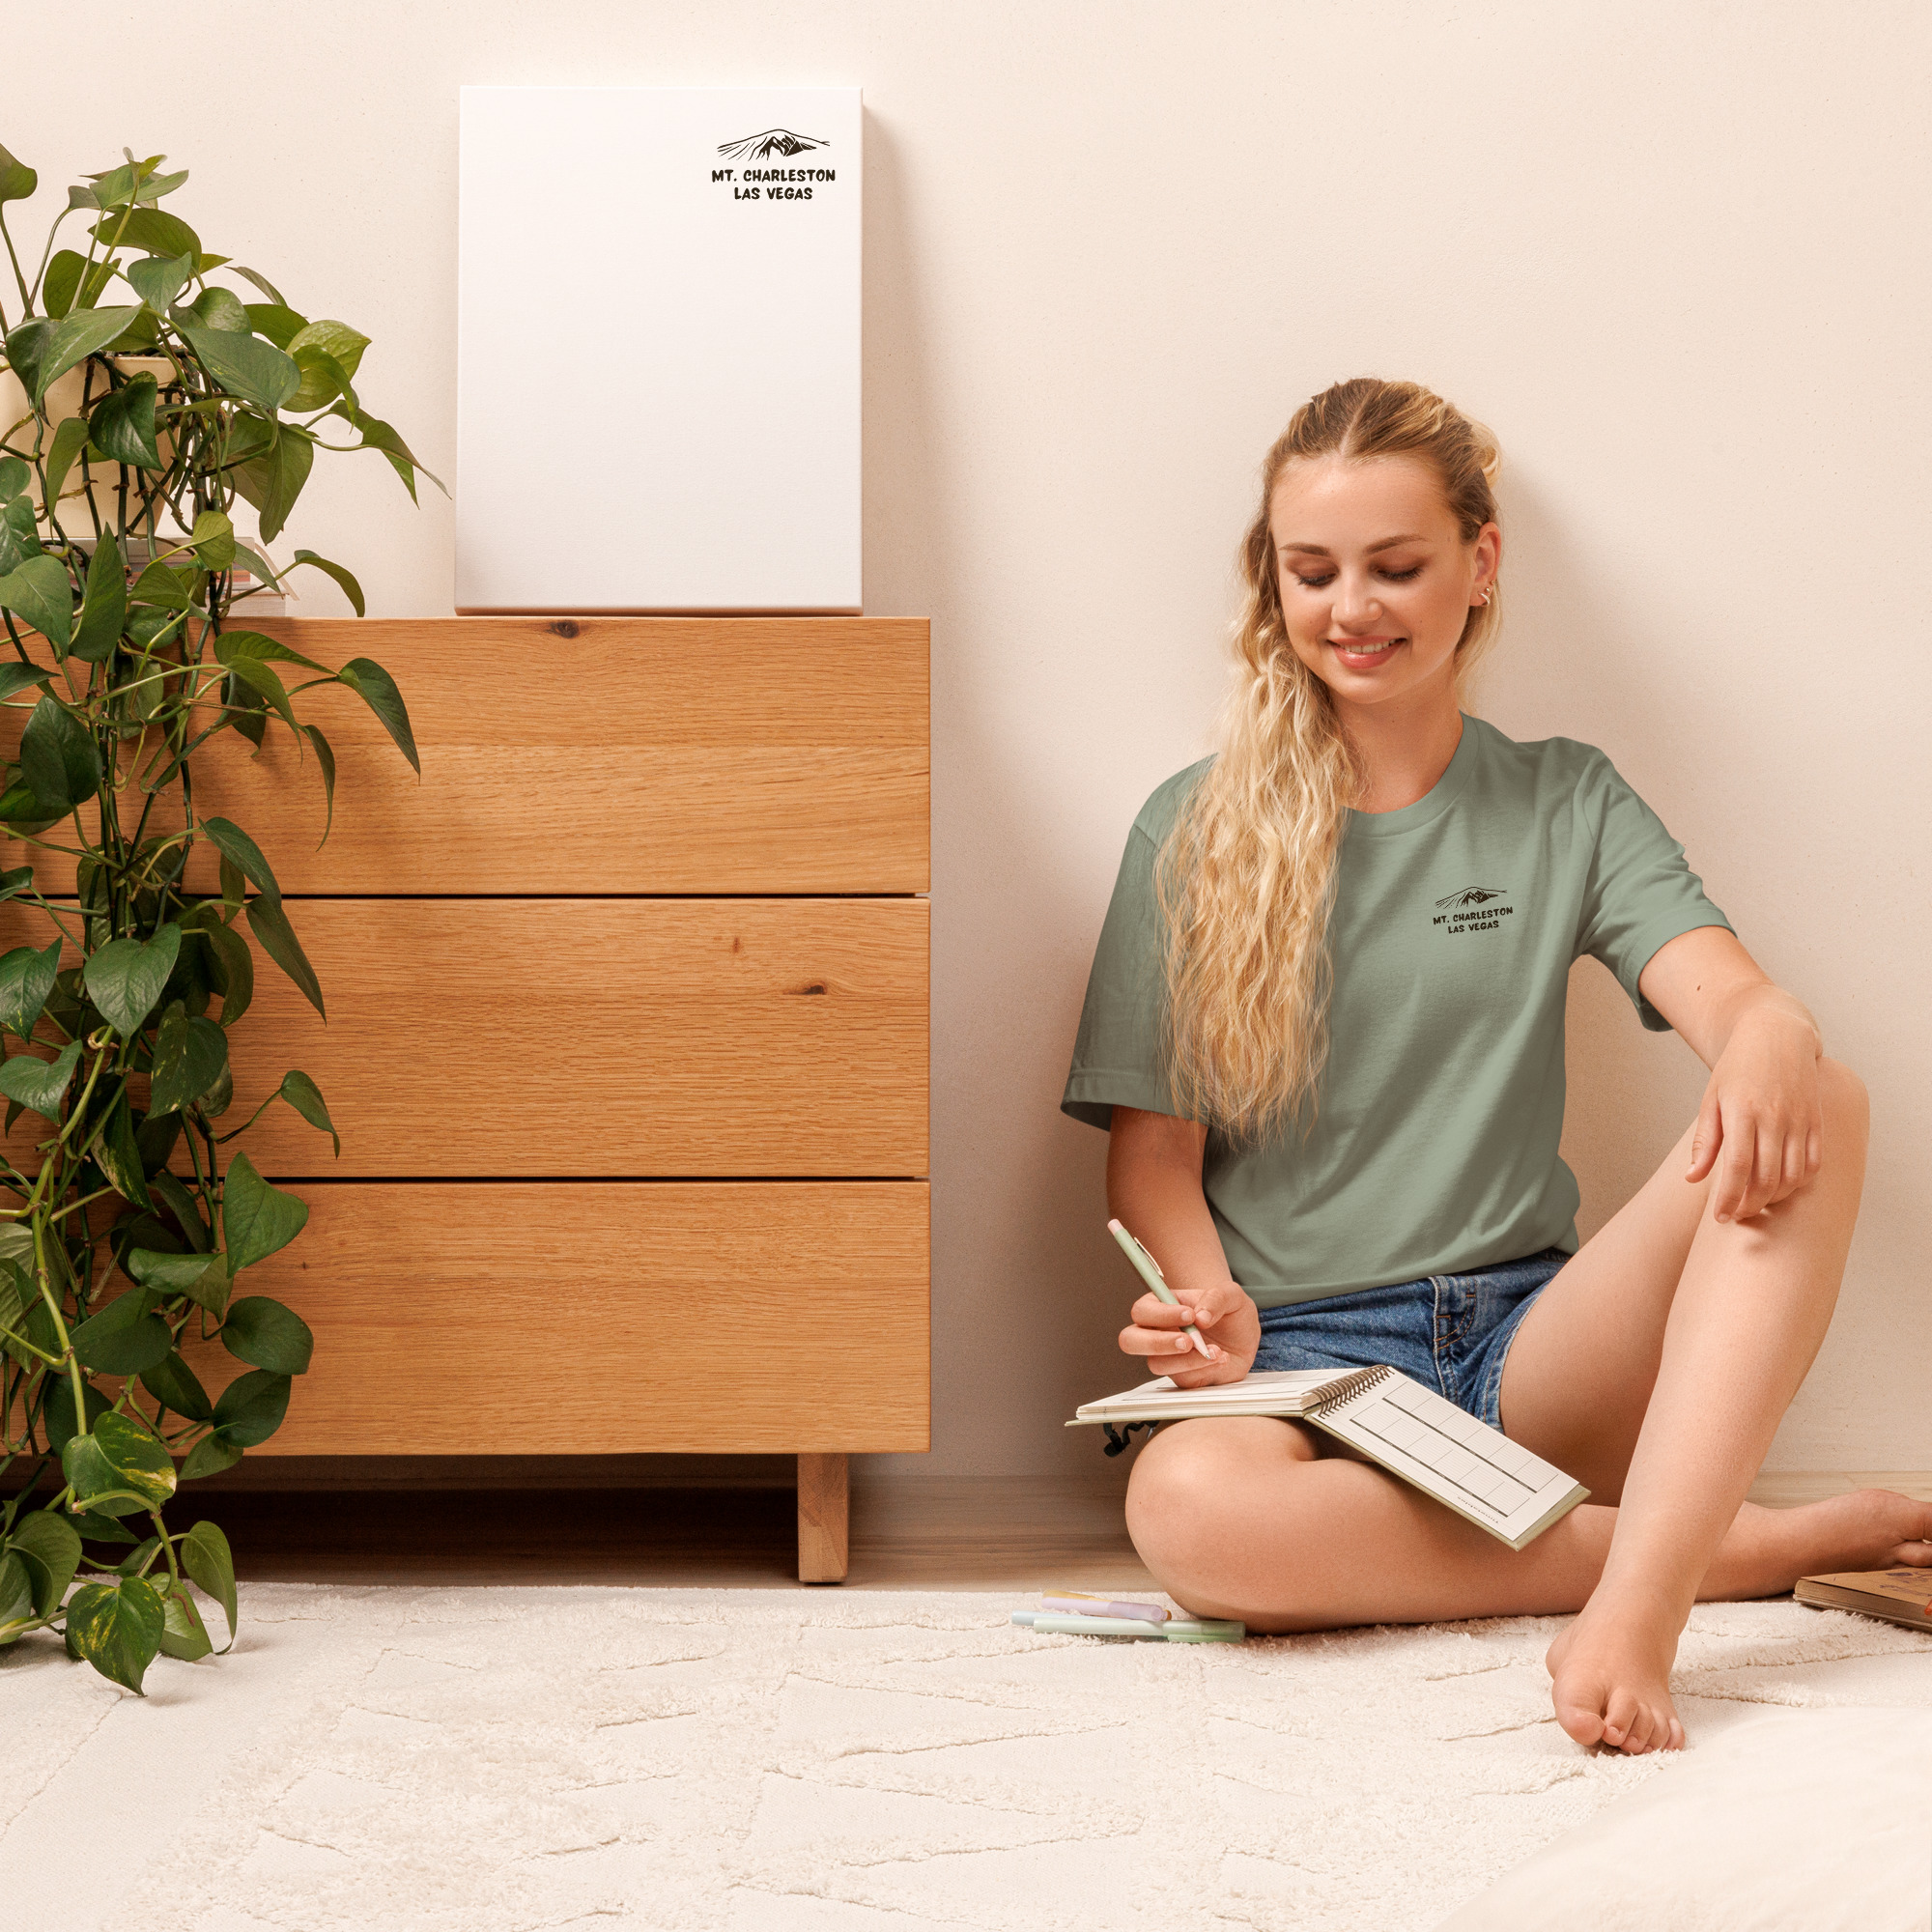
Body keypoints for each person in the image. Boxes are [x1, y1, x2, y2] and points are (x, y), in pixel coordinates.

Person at [1061, 376, 1931, 1755]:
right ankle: (1731, 1549)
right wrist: (1203, 1293)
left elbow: (1730, 996)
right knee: (1185, 1514)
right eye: (1314, 570)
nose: (1354, 608)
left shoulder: (1563, 799)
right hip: (1305, 1376)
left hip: (1535, 1356)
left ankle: (1637, 1606)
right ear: (1271, 585)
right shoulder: (1190, 828)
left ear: (1481, 563)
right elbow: (1153, 1154)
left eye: (1397, 566)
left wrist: (1769, 1026)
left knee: (1818, 1094)